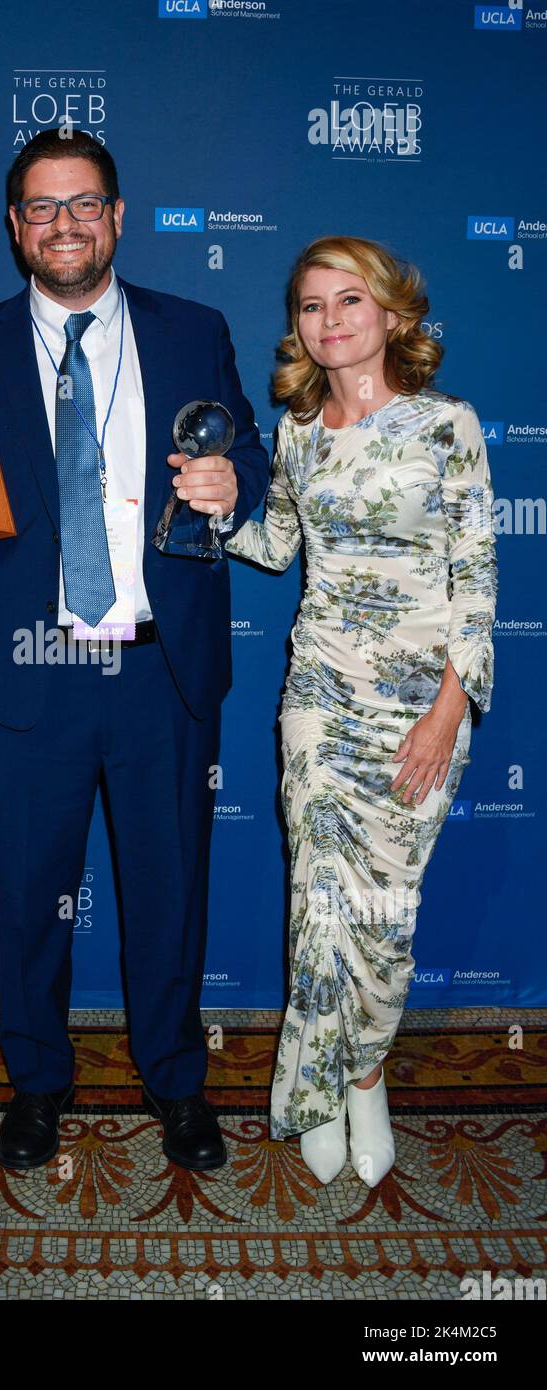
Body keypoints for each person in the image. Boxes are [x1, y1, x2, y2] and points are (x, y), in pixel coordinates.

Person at [0, 129, 270, 1172]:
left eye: (83, 204)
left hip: (160, 666)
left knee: (170, 889)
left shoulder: (190, 328)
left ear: (117, 217)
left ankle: (175, 1080)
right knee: (27, 894)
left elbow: (242, 444)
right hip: (27, 667)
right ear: (13, 226)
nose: (63, 223)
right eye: (41, 207)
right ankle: (36, 1083)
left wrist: (233, 484)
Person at [222, 236, 497, 1186]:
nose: (329, 321)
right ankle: (321, 1090)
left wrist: (445, 711)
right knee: (318, 902)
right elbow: (274, 546)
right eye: (311, 306)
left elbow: (476, 581)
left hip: (423, 702)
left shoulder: (445, 425)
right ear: (296, 325)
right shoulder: (298, 431)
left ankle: (365, 1076)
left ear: (391, 315)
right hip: (318, 694)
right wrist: (218, 509)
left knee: (381, 912)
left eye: (349, 301)